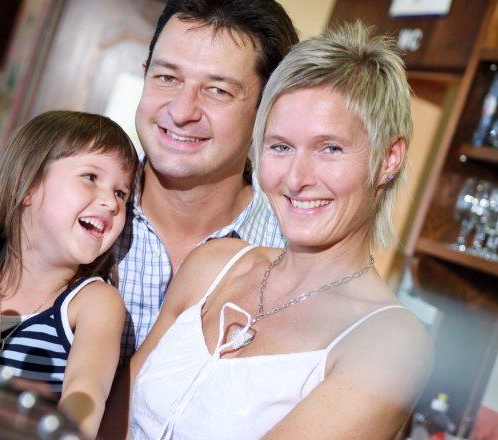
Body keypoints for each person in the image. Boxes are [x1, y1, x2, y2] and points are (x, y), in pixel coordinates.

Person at [111, 21, 435, 439]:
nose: (296, 178)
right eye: (280, 146)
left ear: (389, 159)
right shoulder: (212, 265)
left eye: (330, 148)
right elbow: (110, 423)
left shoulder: (389, 342)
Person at [115, 0, 299, 362]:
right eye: (167, 78)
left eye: (218, 90)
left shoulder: (295, 258)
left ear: (268, 112)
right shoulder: (65, 210)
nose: (181, 111)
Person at [0, 110, 139, 439]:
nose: (112, 203)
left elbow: (86, 392)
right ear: (25, 184)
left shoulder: (94, 303)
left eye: (121, 193)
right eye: (90, 177)